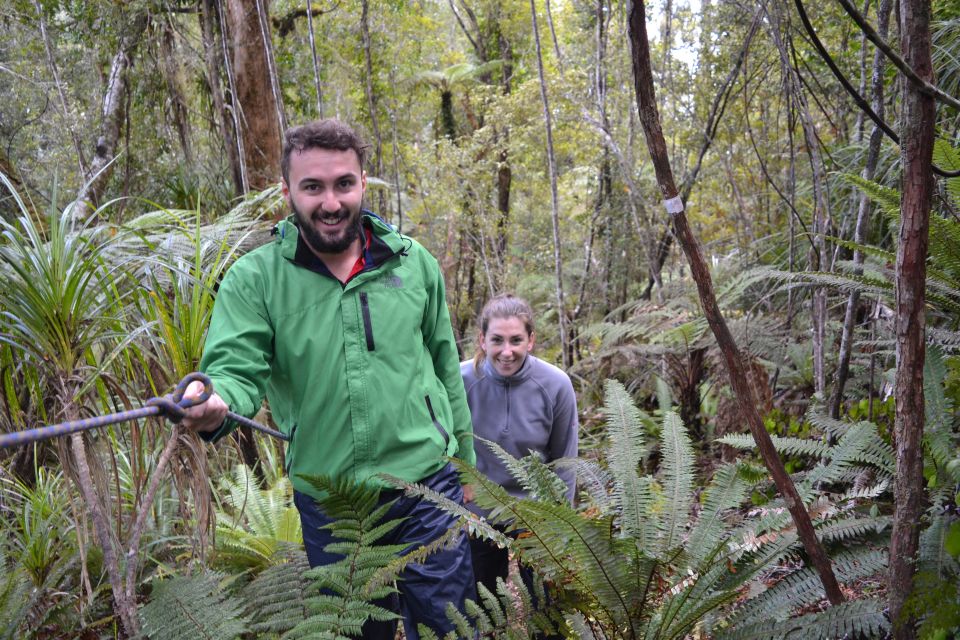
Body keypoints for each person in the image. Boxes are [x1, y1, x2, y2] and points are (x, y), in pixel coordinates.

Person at [180, 119, 476, 640]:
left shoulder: (415, 264)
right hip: (331, 502)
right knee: (359, 632)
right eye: (312, 187)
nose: (331, 202)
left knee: (451, 627)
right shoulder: (256, 280)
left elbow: (445, 366)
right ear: (287, 192)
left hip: (428, 486)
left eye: (344, 183)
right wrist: (214, 401)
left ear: (364, 182)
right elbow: (235, 368)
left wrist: (467, 468)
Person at [460, 293, 578, 598]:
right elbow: (443, 444)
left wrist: (561, 523)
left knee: (549, 608)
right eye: (497, 340)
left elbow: (565, 460)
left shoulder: (555, 384)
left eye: (516, 340)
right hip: (479, 512)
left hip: (537, 512)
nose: (507, 351)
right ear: (482, 340)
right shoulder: (460, 381)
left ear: (531, 340)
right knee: (482, 608)